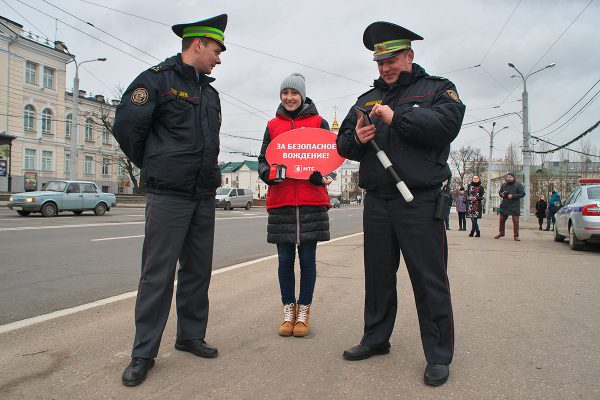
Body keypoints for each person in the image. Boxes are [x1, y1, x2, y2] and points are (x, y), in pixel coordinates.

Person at [336, 21, 465, 387]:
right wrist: (357, 138)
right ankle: (376, 339)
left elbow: (446, 126)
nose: (385, 68)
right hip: (377, 201)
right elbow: (343, 144)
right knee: (378, 278)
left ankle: (439, 355)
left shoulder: (439, 90)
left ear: (409, 55)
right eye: (380, 63)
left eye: (391, 60)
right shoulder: (365, 100)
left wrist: (398, 117)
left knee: (429, 280)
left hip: (419, 202)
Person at [112, 14, 227, 387]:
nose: (219, 58)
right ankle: (143, 353)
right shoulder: (156, 80)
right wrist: (155, 163)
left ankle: (190, 335)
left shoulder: (210, 94)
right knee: (157, 276)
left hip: (203, 195)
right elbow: (127, 128)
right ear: (197, 44)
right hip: (169, 195)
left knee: (197, 271)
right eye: (216, 49)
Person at [258, 73, 331, 338]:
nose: (289, 98)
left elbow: (331, 158)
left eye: (294, 93)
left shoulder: (318, 122)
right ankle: (288, 310)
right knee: (284, 260)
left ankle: (304, 313)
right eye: (285, 93)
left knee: (308, 261)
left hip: (311, 201)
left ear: (302, 95)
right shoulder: (272, 125)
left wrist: (320, 175)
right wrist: (270, 174)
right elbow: (263, 161)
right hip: (282, 201)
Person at [494, 172, 526, 241]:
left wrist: (513, 196)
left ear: (513, 178)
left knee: (515, 221)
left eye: (510, 177)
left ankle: (516, 236)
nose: (508, 178)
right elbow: (500, 192)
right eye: (508, 177)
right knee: (502, 220)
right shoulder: (504, 185)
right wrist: (501, 194)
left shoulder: (518, 185)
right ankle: (501, 233)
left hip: (514, 205)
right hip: (505, 204)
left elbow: (523, 194)